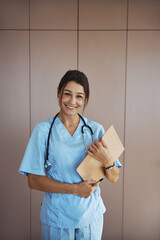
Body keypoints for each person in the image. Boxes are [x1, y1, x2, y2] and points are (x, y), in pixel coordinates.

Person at [19, 70, 122, 240]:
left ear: (85, 99)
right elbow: (33, 180)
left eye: (79, 96)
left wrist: (107, 160)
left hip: (90, 216)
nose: (72, 101)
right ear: (59, 92)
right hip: (57, 217)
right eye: (67, 94)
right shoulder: (43, 130)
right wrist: (75, 189)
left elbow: (114, 177)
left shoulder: (96, 130)